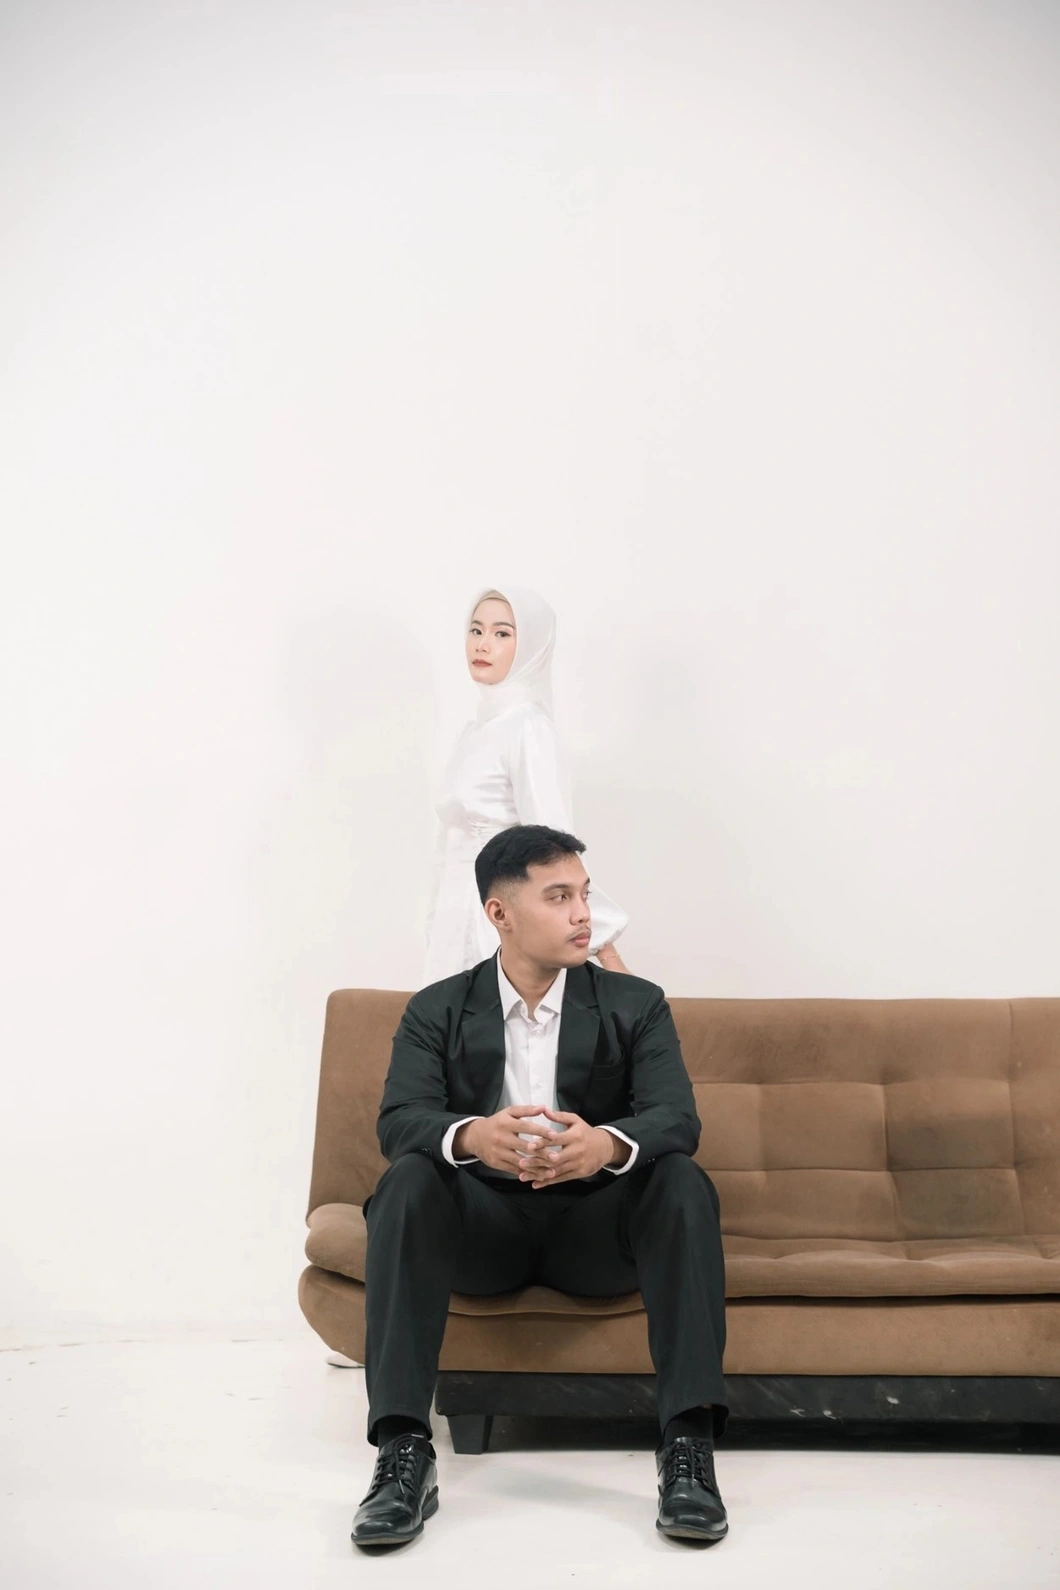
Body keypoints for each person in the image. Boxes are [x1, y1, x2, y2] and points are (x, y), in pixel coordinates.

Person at [352, 824, 728, 1549]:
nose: (583, 914)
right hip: (483, 1235)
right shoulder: (437, 1008)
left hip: (595, 1234)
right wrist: (473, 1136)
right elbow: (399, 1121)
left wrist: (604, 1147)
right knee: (408, 1179)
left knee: (681, 1180)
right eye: (559, 897)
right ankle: (403, 1454)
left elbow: (677, 1118)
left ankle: (687, 1451)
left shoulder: (635, 1003)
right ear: (500, 914)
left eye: (584, 894)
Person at [424, 585, 632, 983]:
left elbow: (553, 841)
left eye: (502, 633)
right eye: (476, 630)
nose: (483, 644)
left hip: (497, 923)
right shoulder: (474, 731)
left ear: (531, 647)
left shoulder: (528, 727)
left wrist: (603, 944)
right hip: (452, 917)